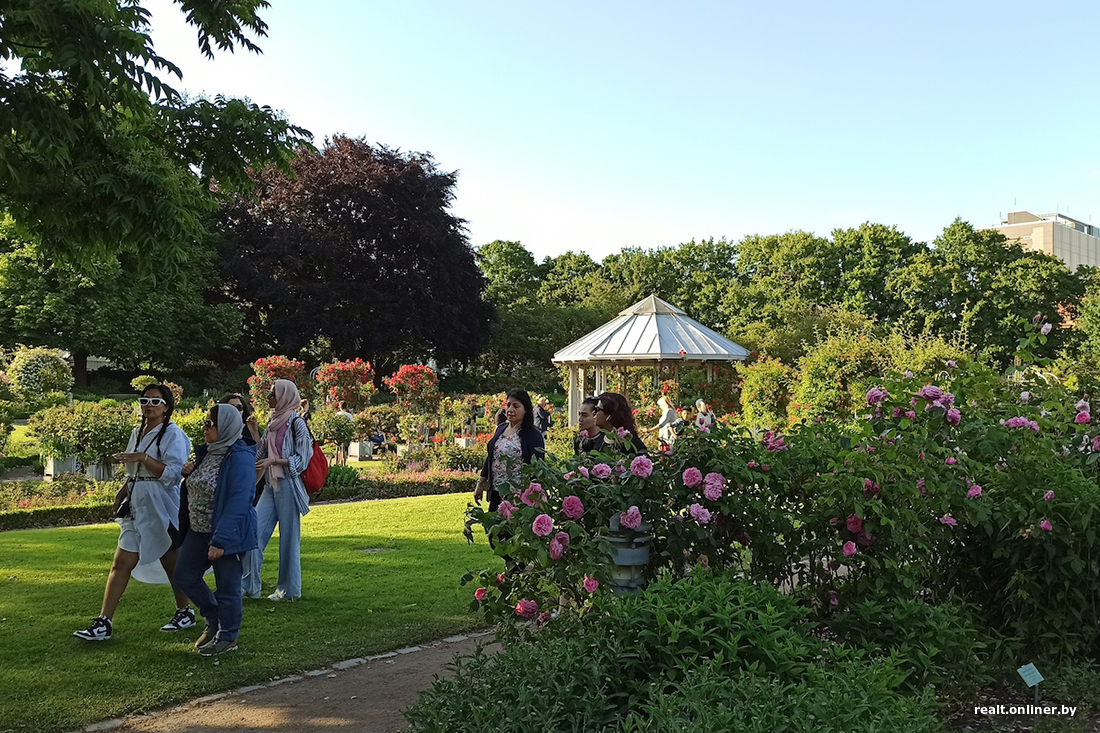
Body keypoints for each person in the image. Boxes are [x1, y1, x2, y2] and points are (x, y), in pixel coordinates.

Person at [74, 384, 193, 641]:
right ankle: (104, 622)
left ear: (167, 406)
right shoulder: (137, 432)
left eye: (155, 401)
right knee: (121, 562)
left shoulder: (173, 434)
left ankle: (185, 611)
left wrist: (143, 458)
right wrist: (122, 493)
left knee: (171, 562)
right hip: (137, 503)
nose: (148, 406)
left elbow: (173, 474)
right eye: (144, 400)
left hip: (161, 505)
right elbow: (135, 473)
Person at [174, 404, 258, 656]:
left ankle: (228, 636)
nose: (205, 427)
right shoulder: (209, 452)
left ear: (227, 427)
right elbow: (202, 485)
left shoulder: (240, 457)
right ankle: (214, 618)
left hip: (226, 533)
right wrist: (188, 474)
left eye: (210, 423)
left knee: (228, 586)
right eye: (205, 422)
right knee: (184, 575)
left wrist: (221, 539)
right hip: (198, 530)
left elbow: (240, 499)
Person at [242, 380, 313, 601]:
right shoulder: (273, 422)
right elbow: (261, 454)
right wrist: (254, 432)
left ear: (284, 396)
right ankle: (249, 586)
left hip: (288, 486)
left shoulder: (297, 423)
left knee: (289, 540)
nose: (268, 398)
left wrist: (274, 462)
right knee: (253, 533)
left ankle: (289, 591)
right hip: (270, 486)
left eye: (272, 394)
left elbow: (302, 459)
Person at [474, 389, 545, 512]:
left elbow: (537, 469)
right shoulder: (501, 428)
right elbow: (491, 456)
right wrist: (480, 483)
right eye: (508, 405)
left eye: (516, 406)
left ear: (526, 410)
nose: (510, 410)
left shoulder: (533, 435)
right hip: (496, 493)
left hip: (517, 498)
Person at [333, 400, 355, 466]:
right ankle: (344, 463)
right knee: (345, 450)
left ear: (340, 407)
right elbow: (352, 425)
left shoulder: (337, 415)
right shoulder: (349, 415)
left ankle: (338, 463)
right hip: (347, 434)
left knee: (339, 449)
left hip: (339, 435)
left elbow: (334, 425)